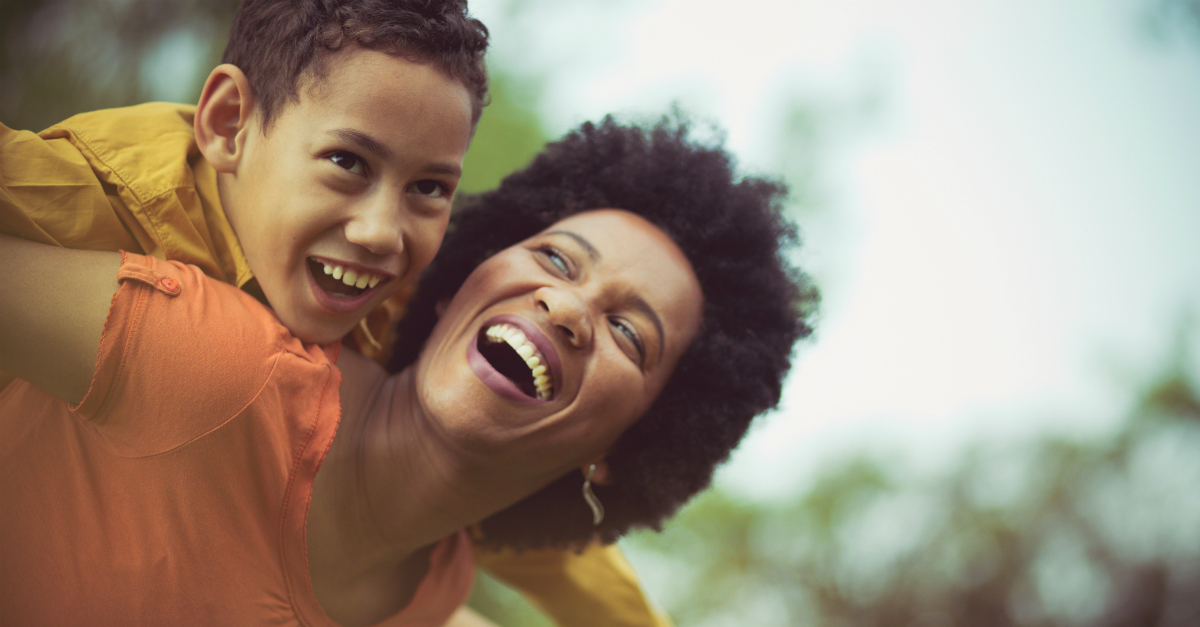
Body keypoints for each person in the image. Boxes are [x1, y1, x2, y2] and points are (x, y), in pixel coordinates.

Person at [0, 1, 671, 623]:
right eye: (347, 162)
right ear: (229, 123)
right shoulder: (88, 197)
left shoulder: (395, 315)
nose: (382, 230)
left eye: (430, 187)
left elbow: (494, 490)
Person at [0, 114, 816, 626]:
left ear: (624, 448)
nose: (568, 309)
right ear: (469, 271)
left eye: (629, 334)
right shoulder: (221, 367)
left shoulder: (431, 591)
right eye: (557, 259)